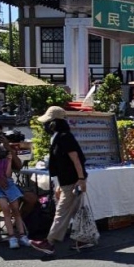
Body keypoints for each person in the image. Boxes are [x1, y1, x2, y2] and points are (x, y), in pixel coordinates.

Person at [30, 106, 89, 255]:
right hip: (68, 180)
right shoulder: (59, 137)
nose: (45, 125)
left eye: (48, 122)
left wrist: (81, 179)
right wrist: (60, 185)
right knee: (75, 210)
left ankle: (50, 242)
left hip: (73, 180)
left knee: (62, 211)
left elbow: (76, 159)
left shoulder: (64, 137)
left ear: (53, 123)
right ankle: (83, 238)